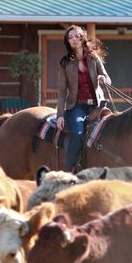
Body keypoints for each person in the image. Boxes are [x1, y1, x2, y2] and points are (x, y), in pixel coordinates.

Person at [55, 25, 111, 173]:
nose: (73, 39)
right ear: (68, 42)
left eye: (76, 36)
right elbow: (61, 92)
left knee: (110, 130)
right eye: (70, 37)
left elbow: (107, 78)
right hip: (76, 107)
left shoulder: (93, 58)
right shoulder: (65, 63)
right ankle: (70, 170)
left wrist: (103, 78)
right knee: (78, 134)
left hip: (97, 106)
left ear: (82, 38)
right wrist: (60, 115)